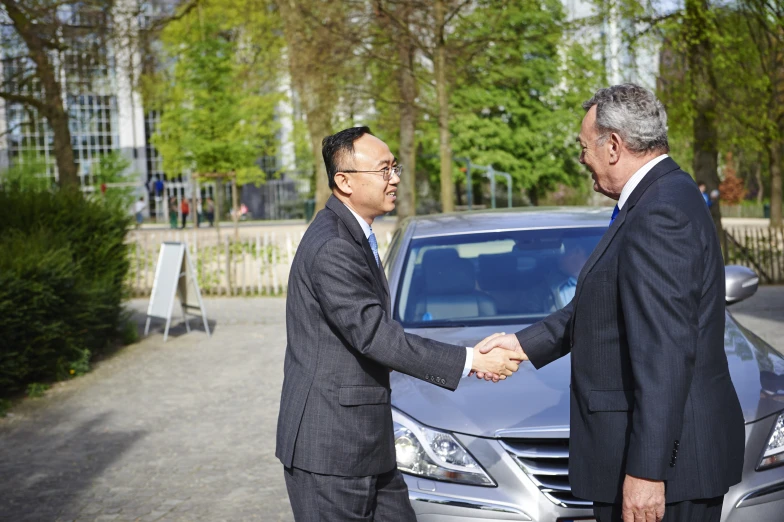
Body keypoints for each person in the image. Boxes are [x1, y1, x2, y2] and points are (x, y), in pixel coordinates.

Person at [477, 85, 744, 522]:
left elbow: (665, 351)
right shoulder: (656, 199)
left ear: (615, 146)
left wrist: (646, 472)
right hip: (662, 462)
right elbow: (608, 305)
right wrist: (523, 345)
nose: (582, 158)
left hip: (671, 473)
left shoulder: (660, 211)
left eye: (585, 147)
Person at [276, 126, 522, 522]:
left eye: (395, 167)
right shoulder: (333, 245)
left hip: (368, 443)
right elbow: (374, 335)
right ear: (344, 181)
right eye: (383, 170)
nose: (394, 178)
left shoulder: (353, 234)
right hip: (332, 449)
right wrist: (470, 360)